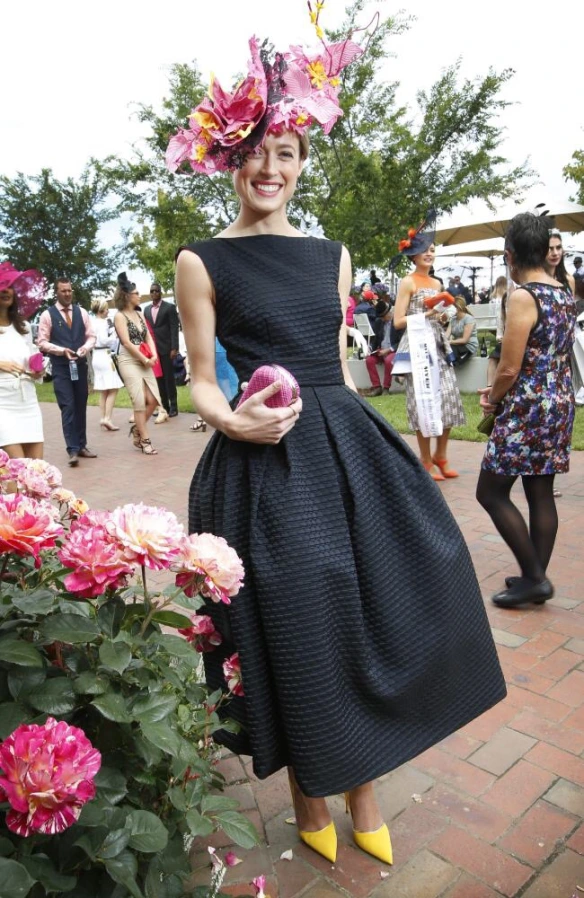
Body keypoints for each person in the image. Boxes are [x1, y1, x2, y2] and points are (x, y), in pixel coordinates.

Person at [170, 14, 505, 870]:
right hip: (261, 464)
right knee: (297, 620)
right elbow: (202, 377)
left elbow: (339, 367)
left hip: (346, 448)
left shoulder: (333, 255)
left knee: (392, 596)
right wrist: (230, 419)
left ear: (303, 162)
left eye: (287, 153)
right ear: (230, 160)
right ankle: (309, 790)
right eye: (256, 152)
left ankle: (365, 787)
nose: (271, 168)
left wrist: (379, 450)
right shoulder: (201, 260)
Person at [476, 213, 576, 608]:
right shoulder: (565, 294)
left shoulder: (523, 296)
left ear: (511, 254)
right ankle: (534, 577)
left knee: (491, 491)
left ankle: (535, 577)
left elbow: (511, 367)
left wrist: (494, 397)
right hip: (559, 402)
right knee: (540, 492)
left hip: (527, 407)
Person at [392, 217, 466, 480]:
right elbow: (398, 320)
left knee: (448, 397)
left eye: (433, 249)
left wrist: (443, 315)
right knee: (422, 402)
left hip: (437, 344)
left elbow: (441, 316)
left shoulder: (437, 284)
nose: (430, 253)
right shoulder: (407, 282)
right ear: (413, 255)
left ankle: (441, 455)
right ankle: (425, 459)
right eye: (425, 249)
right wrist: (427, 314)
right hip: (416, 347)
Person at [36, 278, 97, 467]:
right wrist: (61, 350)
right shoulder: (48, 315)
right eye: (63, 291)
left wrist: (85, 349)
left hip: (79, 365)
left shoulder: (82, 312)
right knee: (68, 406)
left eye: (69, 290)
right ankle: (72, 449)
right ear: (57, 292)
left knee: (80, 405)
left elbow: (91, 336)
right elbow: (42, 342)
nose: (67, 294)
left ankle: (81, 445)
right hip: (61, 367)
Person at [0, 262, 46, 458]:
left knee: (37, 469)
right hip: (2, 403)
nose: (6, 291)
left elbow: (32, 362)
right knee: (16, 470)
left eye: (10, 286)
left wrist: (39, 371)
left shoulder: (24, 327)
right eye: (2, 286)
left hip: (27, 400)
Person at [113, 273, 161, 456]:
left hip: (145, 358)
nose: (139, 295)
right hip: (128, 360)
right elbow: (126, 342)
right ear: (127, 296)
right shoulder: (119, 316)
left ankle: (136, 430)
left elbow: (148, 336)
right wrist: (144, 358)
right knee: (139, 400)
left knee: (154, 399)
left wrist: (154, 354)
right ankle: (145, 441)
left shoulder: (140, 314)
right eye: (136, 293)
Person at [143, 283, 180, 417]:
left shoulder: (169, 308)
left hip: (167, 349)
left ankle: (174, 407)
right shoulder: (146, 310)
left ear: (160, 292)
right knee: (158, 380)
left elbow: (174, 328)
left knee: (169, 379)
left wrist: (174, 347)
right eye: (152, 291)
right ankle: (164, 406)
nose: (154, 293)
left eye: (156, 291)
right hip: (153, 351)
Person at [90, 299, 123, 432]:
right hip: (104, 354)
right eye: (106, 309)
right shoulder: (103, 323)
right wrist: (114, 338)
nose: (108, 311)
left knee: (104, 389)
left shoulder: (92, 322)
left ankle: (103, 417)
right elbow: (104, 339)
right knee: (113, 387)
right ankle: (107, 418)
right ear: (101, 311)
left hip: (95, 356)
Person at [364, 300, 395, 395]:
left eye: (383, 317)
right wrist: (370, 349)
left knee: (389, 361)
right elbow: (376, 339)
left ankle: (386, 388)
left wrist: (389, 350)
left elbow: (402, 341)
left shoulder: (397, 321)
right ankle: (377, 387)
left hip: (394, 349)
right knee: (369, 360)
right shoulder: (379, 322)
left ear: (389, 313)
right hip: (382, 349)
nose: (381, 319)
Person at [487, 276, 508, 387]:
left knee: (493, 358)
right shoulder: (506, 298)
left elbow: (492, 317)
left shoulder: (493, 299)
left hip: (493, 329)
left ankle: (491, 385)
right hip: (501, 332)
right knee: (495, 358)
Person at [447, 297, 478, 366]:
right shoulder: (452, 319)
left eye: (450, 307)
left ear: (457, 307)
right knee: (444, 351)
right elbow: (446, 336)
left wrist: (449, 342)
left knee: (450, 356)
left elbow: (465, 340)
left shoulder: (469, 319)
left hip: (468, 346)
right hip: (456, 345)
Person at [546, 228, 575, 294]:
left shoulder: (569, 279)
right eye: (550, 248)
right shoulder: (535, 281)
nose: (555, 253)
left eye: (558, 247)